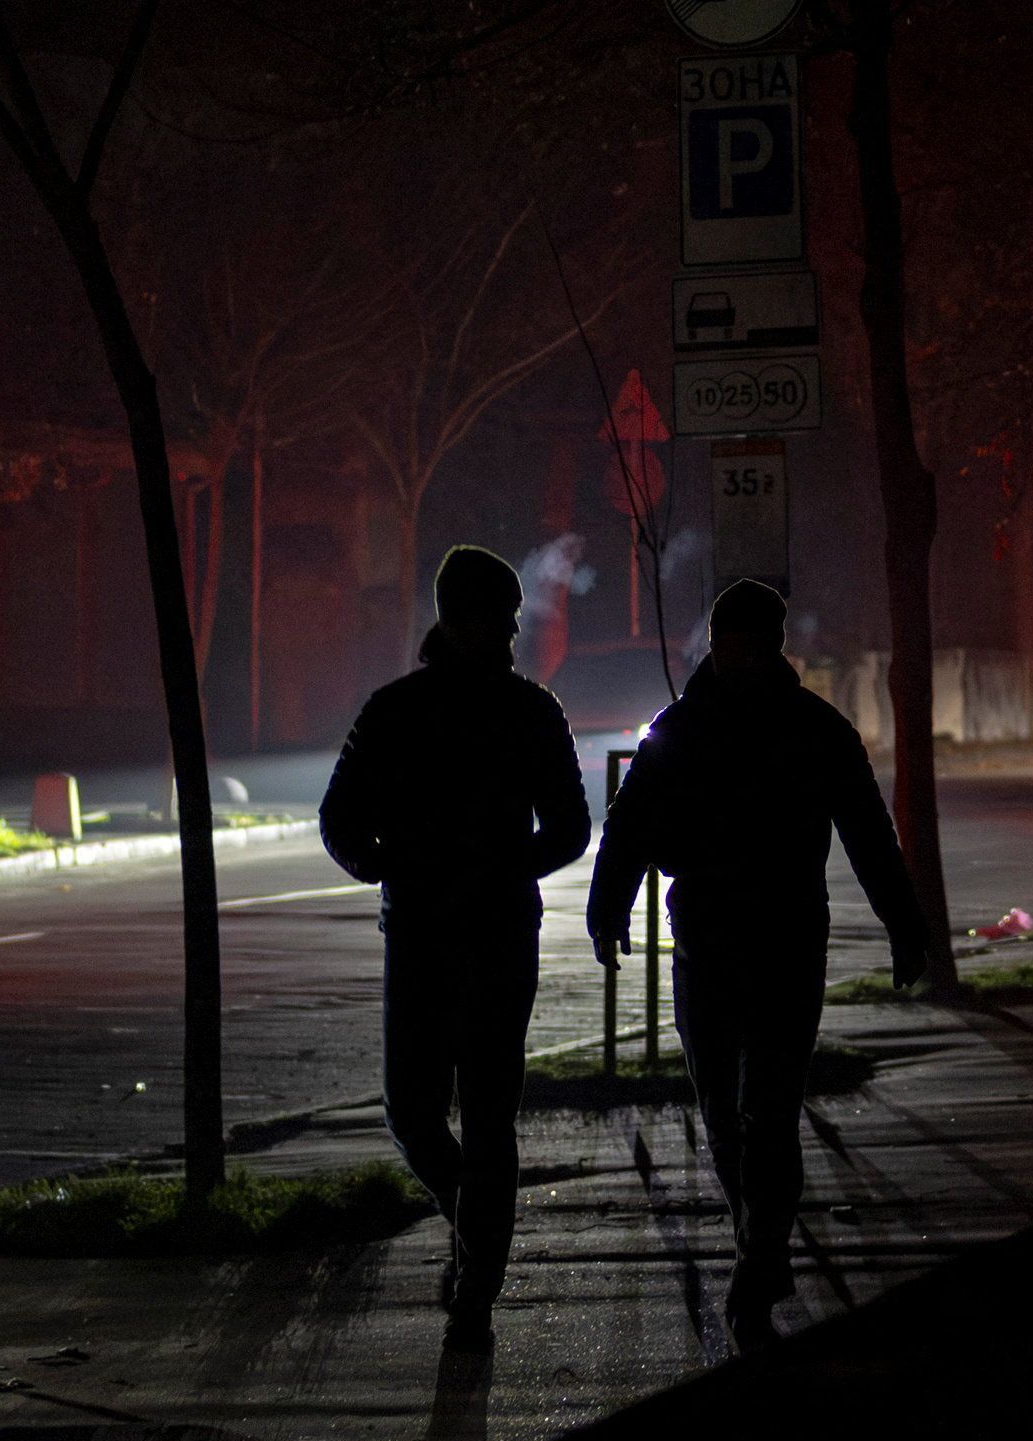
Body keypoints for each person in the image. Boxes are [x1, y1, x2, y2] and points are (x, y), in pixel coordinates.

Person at [586, 576, 930, 1340]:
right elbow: (630, 825)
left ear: (771, 648)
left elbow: (870, 836)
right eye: (726, 645)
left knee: (766, 1110)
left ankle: (760, 1248)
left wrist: (905, 925)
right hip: (713, 943)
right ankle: (761, 1238)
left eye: (745, 645)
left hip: (780, 943)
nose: (734, 658)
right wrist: (606, 903)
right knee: (724, 1112)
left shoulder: (810, 730)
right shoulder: (691, 729)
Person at [319, 543, 591, 1329]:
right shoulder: (398, 710)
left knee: (485, 1110)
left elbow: (571, 826)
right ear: (459, 619)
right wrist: (380, 865)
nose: (510, 638)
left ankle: (478, 1282)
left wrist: (501, 869)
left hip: (487, 930)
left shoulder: (526, 710)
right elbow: (341, 817)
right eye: (500, 623)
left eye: (513, 623)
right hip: (431, 931)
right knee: (417, 1108)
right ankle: (477, 1236)